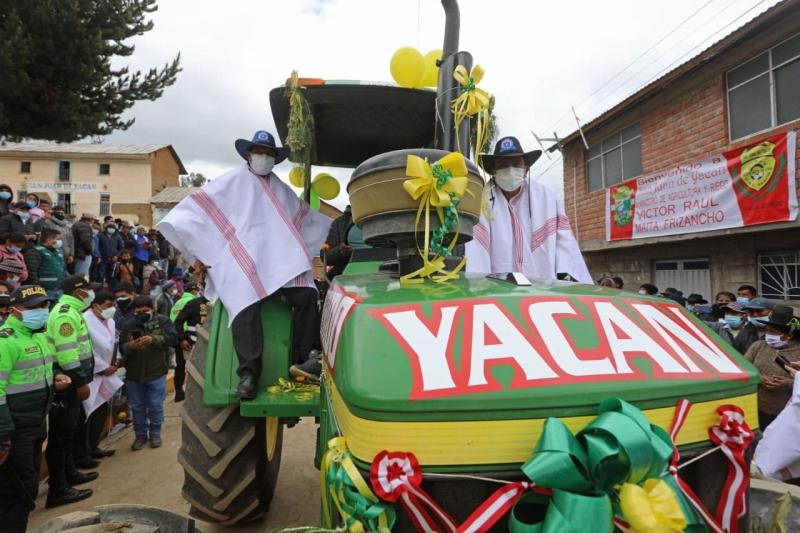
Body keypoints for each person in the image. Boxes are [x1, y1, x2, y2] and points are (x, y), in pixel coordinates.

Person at [158, 130, 332, 399]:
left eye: (269, 154)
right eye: (259, 152)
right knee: (243, 305)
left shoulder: (280, 189)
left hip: (279, 262)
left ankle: (307, 357)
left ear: (274, 158)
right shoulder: (230, 183)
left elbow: (302, 219)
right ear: (248, 155)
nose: (263, 157)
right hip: (243, 263)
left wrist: (334, 228)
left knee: (308, 295)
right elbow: (197, 212)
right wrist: (201, 255)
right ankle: (249, 373)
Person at [465, 136, 592, 283]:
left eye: (516, 164)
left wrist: (565, 275)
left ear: (526, 169)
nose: (510, 170)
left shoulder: (547, 197)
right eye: (502, 164)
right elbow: (475, 250)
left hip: (541, 285)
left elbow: (564, 240)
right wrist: (479, 284)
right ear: (494, 170)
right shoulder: (481, 200)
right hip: (498, 287)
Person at [0, 285, 73, 530]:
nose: (41, 310)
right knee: (17, 492)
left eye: (44, 305)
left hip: (36, 423)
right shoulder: (5, 341)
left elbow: (42, 369)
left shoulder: (38, 336)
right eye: (34, 307)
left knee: (27, 487)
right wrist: (3, 434)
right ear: (14, 310)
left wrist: (56, 377)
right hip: (15, 430)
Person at [45, 275, 101, 507]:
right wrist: (79, 382)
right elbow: (67, 355)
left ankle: (69, 474)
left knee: (69, 432)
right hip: (67, 384)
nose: (92, 293)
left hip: (71, 381)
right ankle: (58, 489)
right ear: (79, 292)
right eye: (89, 289)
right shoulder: (65, 315)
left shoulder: (73, 311)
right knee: (61, 436)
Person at [119, 295, 177, 450]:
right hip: (134, 374)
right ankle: (140, 436)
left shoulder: (163, 321)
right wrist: (131, 346)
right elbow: (122, 348)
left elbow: (172, 338)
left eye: (145, 311)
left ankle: (155, 434)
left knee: (155, 406)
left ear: (152, 308)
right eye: (138, 311)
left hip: (156, 372)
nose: (141, 314)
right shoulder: (129, 324)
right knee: (137, 407)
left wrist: (154, 340)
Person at [743, 305, 800, 431]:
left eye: (773, 332)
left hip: (787, 414)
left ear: (789, 335)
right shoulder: (758, 346)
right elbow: (743, 369)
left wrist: (788, 383)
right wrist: (760, 379)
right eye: (767, 331)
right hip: (756, 408)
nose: (768, 335)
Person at [82, 291, 122, 459]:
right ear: (95, 306)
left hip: (107, 371)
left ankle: (93, 446)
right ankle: (83, 452)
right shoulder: (84, 320)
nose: (112, 309)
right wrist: (103, 367)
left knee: (100, 412)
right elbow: (86, 349)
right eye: (108, 305)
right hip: (92, 373)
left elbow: (113, 343)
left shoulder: (110, 321)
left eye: (114, 305)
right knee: (88, 415)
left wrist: (116, 361)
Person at [171, 281, 202, 402]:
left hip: (177, 337)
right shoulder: (193, 302)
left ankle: (179, 392)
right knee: (194, 367)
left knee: (180, 366)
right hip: (188, 338)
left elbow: (173, 320)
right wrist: (184, 337)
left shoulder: (177, 302)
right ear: (194, 290)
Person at [322, 205, 371, 279]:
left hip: (385, 269)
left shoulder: (386, 215)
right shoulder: (339, 223)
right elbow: (325, 255)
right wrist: (340, 251)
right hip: (349, 275)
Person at [33, 229, 67, 301]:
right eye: (58, 239)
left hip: (59, 289)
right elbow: (32, 271)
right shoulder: (37, 251)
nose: (60, 241)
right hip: (45, 290)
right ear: (48, 240)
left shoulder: (59, 252)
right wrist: (37, 288)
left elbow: (63, 269)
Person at [97, 222, 124, 286]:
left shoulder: (118, 236)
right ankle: (99, 288)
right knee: (101, 274)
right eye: (110, 228)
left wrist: (117, 256)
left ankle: (110, 288)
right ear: (106, 228)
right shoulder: (100, 235)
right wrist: (98, 256)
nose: (111, 229)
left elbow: (121, 247)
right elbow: (97, 247)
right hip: (103, 259)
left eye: (113, 228)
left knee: (111, 274)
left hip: (113, 259)